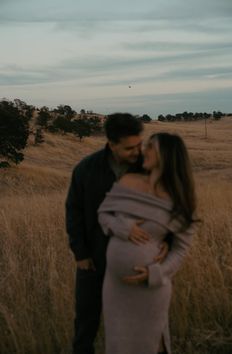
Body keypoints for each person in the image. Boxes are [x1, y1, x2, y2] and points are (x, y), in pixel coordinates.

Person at [65, 113, 169, 354]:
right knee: (86, 321)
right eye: (130, 148)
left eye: (139, 144)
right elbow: (74, 211)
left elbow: (168, 207)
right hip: (94, 260)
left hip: (139, 261)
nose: (137, 151)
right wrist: (80, 253)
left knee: (150, 322)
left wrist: (168, 241)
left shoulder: (149, 167)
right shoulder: (86, 169)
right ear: (111, 144)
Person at [98, 132, 198, 354]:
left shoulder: (177, 200)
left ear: (167, 155)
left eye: (151, 146)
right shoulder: (127, 181)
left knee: (150, 345)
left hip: (149, 289)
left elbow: (181, 249)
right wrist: (123, 228)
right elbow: (103, 214)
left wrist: (155, 274)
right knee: (117, 345)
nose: (144, 150)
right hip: (115, 287)